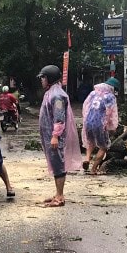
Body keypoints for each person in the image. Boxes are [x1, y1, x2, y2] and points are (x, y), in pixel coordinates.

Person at [37, 65, 83, 207]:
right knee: (55, 162)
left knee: (58, 164)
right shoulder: (51, 92)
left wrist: (55, 136)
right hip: (50, 135)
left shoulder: (57, 95)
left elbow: (59, 118)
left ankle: (60, 197)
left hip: (55, 136)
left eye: (43, 77)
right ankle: (57, 193)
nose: (42, 80)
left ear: (49, 78)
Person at [82, 77, 120, 175]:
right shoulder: (110, 97)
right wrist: (112, 127)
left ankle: (87, 159)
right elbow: (111, 113)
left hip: (88, 121)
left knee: (90, 142)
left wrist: (86, 120)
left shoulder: (93, 93)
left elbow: (85, 106)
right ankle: (93, 169)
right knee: (104, 146)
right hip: (100, 123)